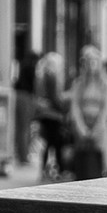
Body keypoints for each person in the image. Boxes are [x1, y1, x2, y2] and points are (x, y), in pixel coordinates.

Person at [67, 44, 107, 179]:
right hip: (82, 129)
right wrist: (81, 127)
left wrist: (97, 128)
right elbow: (75, 107)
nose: (91, 65)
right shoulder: (79, 83)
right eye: (88, 62)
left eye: (94, 61)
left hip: (100, 130)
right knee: (82, 164)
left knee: (97, 164)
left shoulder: (106, 84)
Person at [33, 51, 70, 180]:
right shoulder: (52, 76)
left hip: (44, 114)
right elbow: (55, 97)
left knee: (47, 143)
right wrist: (63, 108)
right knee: (56, 143)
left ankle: (44, 169)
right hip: (53, 115)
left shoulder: (41, 75)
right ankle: (59, 169)